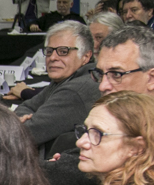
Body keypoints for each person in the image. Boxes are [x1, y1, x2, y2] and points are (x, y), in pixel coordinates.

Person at [12, 23, 100, 152]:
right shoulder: (66, 78)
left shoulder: (76, 90)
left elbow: (24, 134)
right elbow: (27, 106)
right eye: (49, 51)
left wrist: (23, 120)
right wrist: (24, 118)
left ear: (86, 56)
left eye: (63, 52)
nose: (52, 58)